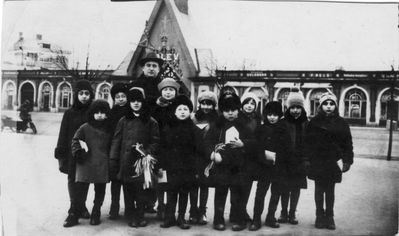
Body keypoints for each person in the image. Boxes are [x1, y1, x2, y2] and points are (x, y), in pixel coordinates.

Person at [109, 87, 160, 228]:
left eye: (138, 101)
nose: (136, 103)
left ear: (143, 102)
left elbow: (155, 141)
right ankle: (130, 214)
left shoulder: (150, 121)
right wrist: (113, 160)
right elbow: (116, 141)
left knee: (141, 189)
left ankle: (140, 215)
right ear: (129, 103)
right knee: (128, 189)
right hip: (126, 161)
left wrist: (146, 151)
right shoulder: (123, 120)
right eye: (132, 101)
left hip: (142, 162)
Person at [204, 94, 255, 231]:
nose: (230, 113)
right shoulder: (217, 125)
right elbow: (207, 142)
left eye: (233, 110)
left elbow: (254, 142)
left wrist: (243, 143)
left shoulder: (243, 125)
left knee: (237, 195)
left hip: (238, 166)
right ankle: (218, 219)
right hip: (222, 166)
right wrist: (213, 154)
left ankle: (238, 219)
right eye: (227, 111)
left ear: (238, 110)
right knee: (221, 193)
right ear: (222, 111)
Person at [304, 92, 353, 230]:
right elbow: (307, 143)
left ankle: (330, 216)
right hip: (317, 161)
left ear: (336, 106)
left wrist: (347, 160)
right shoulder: (313, 122)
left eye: (331, 104)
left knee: (330, 190)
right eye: (325, 104)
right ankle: (319, 216)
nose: (328, 106)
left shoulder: (342, 123)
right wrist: (307, 160)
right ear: (321, 106)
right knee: (319, 189)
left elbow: (347, 143)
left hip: (332, 162)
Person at [54, 80, 94, 227]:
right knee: (72, 179)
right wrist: (60, 151)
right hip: (72, 153)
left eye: (87, 93)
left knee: (84, 180)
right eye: (81, 93)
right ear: (76, 95)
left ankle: (82, 206)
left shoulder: (93, 112)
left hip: (88, 153)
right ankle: (73, 209)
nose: (84, 96)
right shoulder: (69, 113)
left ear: (91, 95)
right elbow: (63, 133)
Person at [159, 95, 201, 230]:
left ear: (190, 112)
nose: (182, 112)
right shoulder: (168, 128)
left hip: (187, 167)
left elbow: (198, 150)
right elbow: (162, 147)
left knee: (184, 193)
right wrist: (161, 166)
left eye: (185, 109)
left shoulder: (194, 129)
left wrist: (195, 168)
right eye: (179, 109)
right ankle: (169, 217)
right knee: (171, 193)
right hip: (171, 166)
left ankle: (181, 217)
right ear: (174, 112)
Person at [249, 101, 292, 231]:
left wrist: (277, 157)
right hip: (263, 167)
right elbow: (255, 147)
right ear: (265, 115)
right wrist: (264, 155)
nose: (272, 117)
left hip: (278, 167)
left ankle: (271, 217)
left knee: (276, 193)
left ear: (280, 115)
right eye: (269, 114)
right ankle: (256, 219)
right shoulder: (261, 129)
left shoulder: (284, 129)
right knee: (260, 193)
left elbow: (288, 149)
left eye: (275, 115)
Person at [71, 99, 112, 226]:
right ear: (92, 113)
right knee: (80, 190)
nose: (99, 115)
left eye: (103, 112)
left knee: (100, 190)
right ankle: (74, 214)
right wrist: (78, 152)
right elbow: (75, 140)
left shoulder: (109, 129)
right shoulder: (85, 127)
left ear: (107, 114)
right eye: (96, 112)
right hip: (86, 163)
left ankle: (96, 212)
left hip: (102, 164)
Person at [151, 77, 180, 219]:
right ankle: (160, 206)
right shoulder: (156, 108)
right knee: (161, 178)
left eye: (171, 90)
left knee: (172, 181)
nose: (168, 93)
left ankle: (170, 208)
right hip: (161, 148)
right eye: (165, 90)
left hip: (174, 149)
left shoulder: (179, 107)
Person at [278, 88, 308, 225]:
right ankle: (283, 212)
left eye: (298, 107)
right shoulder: (283, 122)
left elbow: (310, 143)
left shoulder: (306, 123)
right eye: (292, 107)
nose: (295, 110)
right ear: (288, 107)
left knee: (296, 188)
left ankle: (292, 212)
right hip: (285, 162)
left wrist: (307, 160)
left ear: (302, 108)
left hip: (300, 162)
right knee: (284, 187)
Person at [188, 91, 218, 225]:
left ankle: (202, 211)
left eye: (209, 104)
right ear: (199, 104)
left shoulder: (217, 120)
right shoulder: (193, 118)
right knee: (193, 184)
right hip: (194, 156)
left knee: (204, 184)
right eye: (203, 104)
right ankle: (193, 211)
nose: (206, 107)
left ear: (213, 106)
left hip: (207, 157)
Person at [108, 83, 130, 220]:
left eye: (123, 96)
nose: (121, 99)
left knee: (128, 182)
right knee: (115, 182)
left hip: (127, 151)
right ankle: (114, 207)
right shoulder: (111, 113)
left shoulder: (130, 112)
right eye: (118, 97)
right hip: (115, 150)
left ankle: (129, 208)